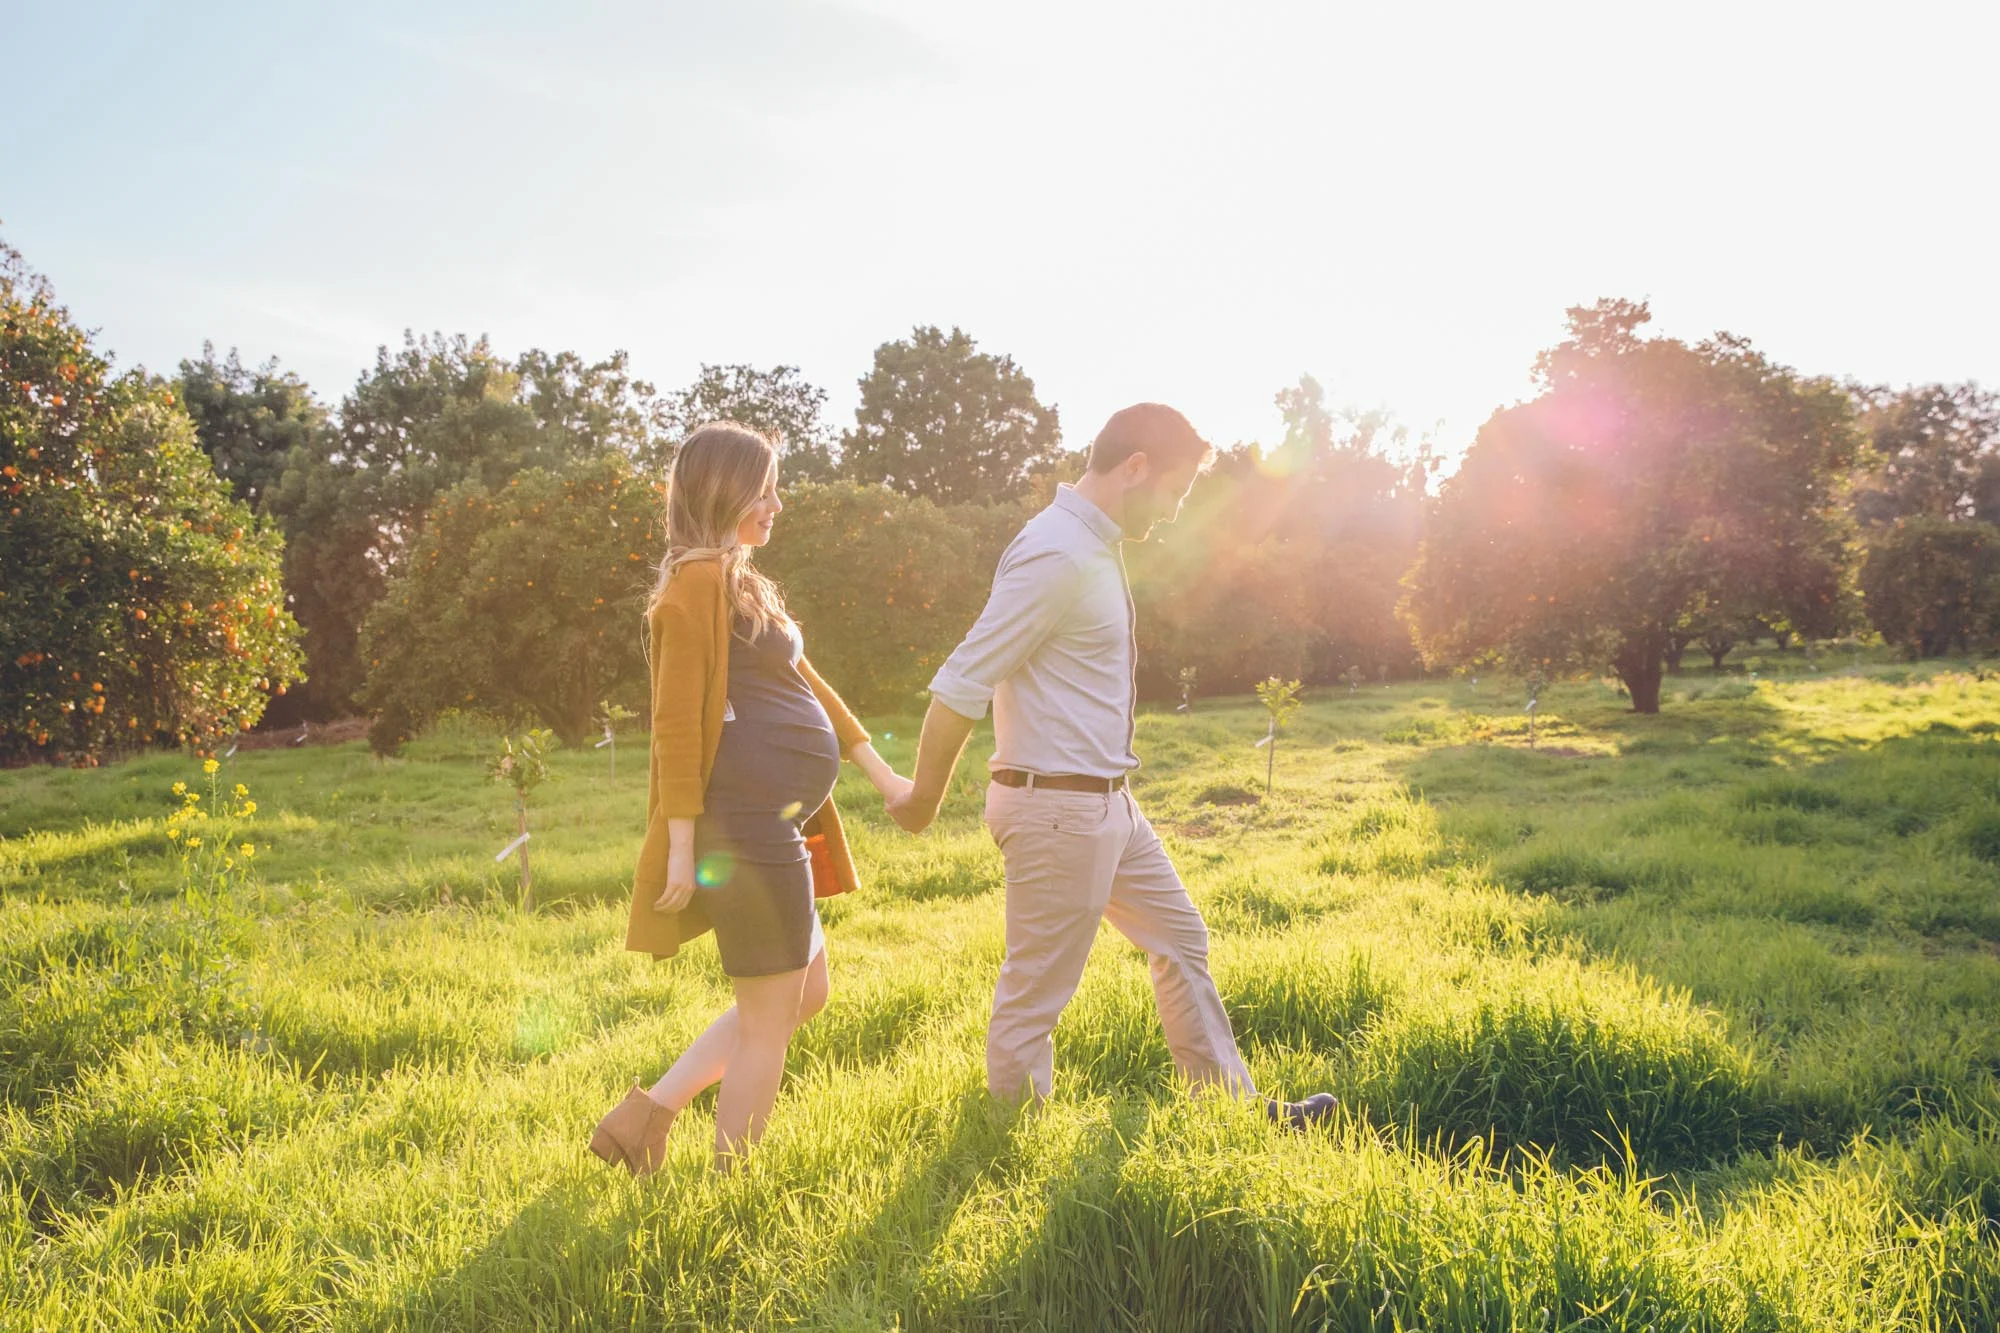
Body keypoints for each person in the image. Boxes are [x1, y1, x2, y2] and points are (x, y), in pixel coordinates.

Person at [887, 403, 1336, 1129]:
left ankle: (1228, 1112)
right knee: (1036, 993)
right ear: (1136, 468)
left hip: (1108, 804)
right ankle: (1008, 1143)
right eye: (1176, 491)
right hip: (1056, 808)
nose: (1174, 510)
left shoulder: (1091, 544)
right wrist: (923, 799)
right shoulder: (1056, 553)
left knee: (1181, 939)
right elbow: (962, 682)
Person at [591, 422, 912, 1174]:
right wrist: (678, 846)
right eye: (762, 490)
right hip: (743, 830)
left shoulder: (739, 582)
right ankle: (734, 1188)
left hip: (772, 825)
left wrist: (883, 774)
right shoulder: (694, 586)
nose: (776, 504)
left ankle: (644, 1119)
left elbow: (809, 684)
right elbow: (674, 723)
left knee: (805, 993)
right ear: (722, 492)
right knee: (770, 1020)